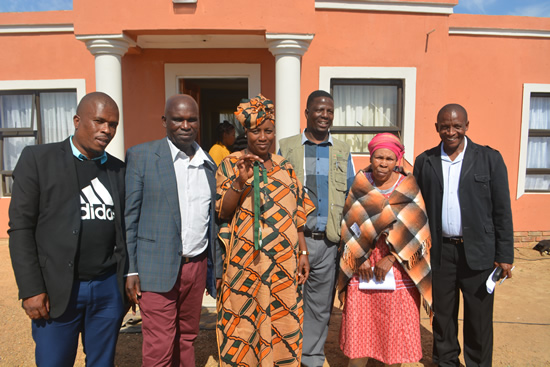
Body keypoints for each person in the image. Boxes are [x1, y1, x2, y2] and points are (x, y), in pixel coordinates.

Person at [8, 92, 127, 366]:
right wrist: (30, 289)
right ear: (77, 120)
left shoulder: (118, 170)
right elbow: (21, 228)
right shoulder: (38, 159)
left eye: (112, 124)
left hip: (107, 288)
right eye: (99, 121)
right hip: (57, 289)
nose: (106, 130)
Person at [216, 95, 314, 366]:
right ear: (244, 132)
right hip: (245, 262)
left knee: (282, 319)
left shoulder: (286, 168)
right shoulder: (230, 164)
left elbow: (298, 215)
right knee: (243, 321)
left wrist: (303, 251)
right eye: (255, 130)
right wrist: (240, 180)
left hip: (283, 262)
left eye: (268, 130)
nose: (262, 137)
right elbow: (222, 211)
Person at [413, 104, 514, 367]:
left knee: (478, 319)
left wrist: (505, 255)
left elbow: (502, 210)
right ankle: (446, 362)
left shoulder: (489, 159)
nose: (451, 131)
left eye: (457, 126)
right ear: (437, 127)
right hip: (440, 252)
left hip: (480, 252)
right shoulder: (425, 161)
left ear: (467, 126)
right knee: (443, 317)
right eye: (445, 126)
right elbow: (415, 207)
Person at [124, 94, 221, 366]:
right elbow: (130, 217)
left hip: (196, 266)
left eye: (192, 119)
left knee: (187, 336)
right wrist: (132, 269)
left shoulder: (208, 164)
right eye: (178, 119)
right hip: (155, 267)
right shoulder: (141, 156)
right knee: (159, 344)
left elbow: (212, 220)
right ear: (165, 121)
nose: (185, 125)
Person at [337, 133, 433, 366]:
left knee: (394, 336)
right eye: (378, 157)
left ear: (397, 159)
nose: (382, 163)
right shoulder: (361, 184)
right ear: (371, 157)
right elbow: (350, 224)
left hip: (399, 267)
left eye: (389, 158)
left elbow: (418, 231)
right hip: (364, 267)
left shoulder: (408, 187)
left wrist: (391, 258)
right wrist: (361, 258)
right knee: (360, 331)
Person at [278, 89, 355, 367]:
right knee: (288, 300)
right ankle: (286, 355)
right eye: (319, 110)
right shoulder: (286, 147)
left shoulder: (342, 150)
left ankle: (310, 358)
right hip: (293, 241)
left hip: (328, 242)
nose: (325, 116)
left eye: (330, 111)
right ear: (307, 113)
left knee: (321, 306)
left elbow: (350, 196)